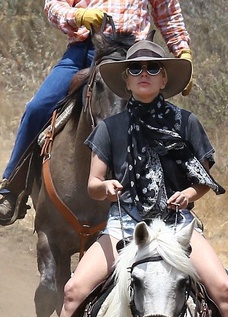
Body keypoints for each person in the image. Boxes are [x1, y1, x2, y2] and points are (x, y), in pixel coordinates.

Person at [25, 40, 228, 317]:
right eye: (135, 70)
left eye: (152, 69)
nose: (143, 75)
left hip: (178, 227)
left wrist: (187, 193)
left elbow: (203, 180)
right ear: (126, 82)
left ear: (164, 78)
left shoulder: (187, 124)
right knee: (73, 291)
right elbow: (93, 184)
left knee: (225, 292)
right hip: (124, 226)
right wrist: (106, 188)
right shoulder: (111, 129)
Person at [0, 0, 192, 224]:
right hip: (85, 51)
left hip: (136, 57)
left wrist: (182, 51)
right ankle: (13, 187)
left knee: (162, 120)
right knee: (38, 108)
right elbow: (53, 6)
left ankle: (176, 203)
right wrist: (79, 16)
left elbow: (167, 12)